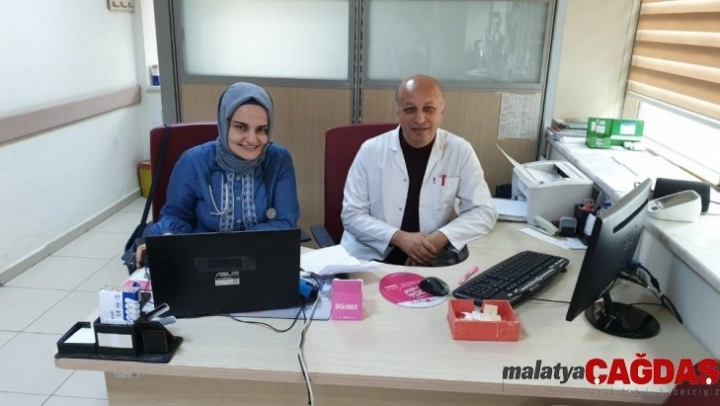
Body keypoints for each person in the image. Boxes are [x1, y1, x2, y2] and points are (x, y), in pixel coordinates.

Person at [134, 82, 300, 267]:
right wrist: (166, 238)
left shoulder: (279, 159)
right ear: (224, 124)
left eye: (262, 129)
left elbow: (285, 221)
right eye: (241, 127)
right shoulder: (193, 161)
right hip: (201, 259)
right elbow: (176, 215)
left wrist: (228, 245)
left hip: (262, 257)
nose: (252, 139)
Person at [340, 74, 497, 266]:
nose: (420, 119)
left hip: (430, 256)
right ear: (398, 111)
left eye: (429, 109)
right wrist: (399, 238)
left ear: (442, 111)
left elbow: (483, 212)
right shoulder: (370, 151)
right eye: (410, 109)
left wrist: (439, 238)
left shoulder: (460, 150)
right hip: (370, 257)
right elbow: (352, 215)